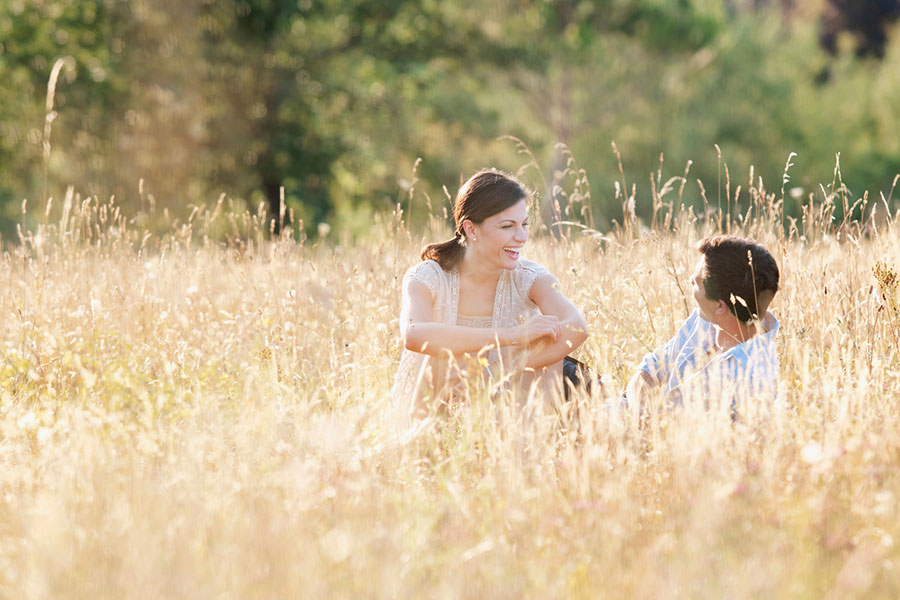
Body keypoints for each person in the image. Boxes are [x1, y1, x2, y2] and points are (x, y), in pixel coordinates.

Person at [392, 169, 589, 416]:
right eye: (508, 226)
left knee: (548, 342)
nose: (521, 237)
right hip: (433, 403)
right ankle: (425, 445)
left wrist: (503, 368)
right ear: (471, 229)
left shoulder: (529, 277)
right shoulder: (428, 277)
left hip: (502, 400)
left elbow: (577, 327)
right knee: (439, 352)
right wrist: (514, 334)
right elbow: (414, 334)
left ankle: (531, 446)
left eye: (524, 224)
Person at [626, 235, 781, 415]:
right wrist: (638, 412)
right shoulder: (706, 320)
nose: (691, 279)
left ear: (720, 306)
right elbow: (651, 368)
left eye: (697, 282)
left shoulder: (753, 380)